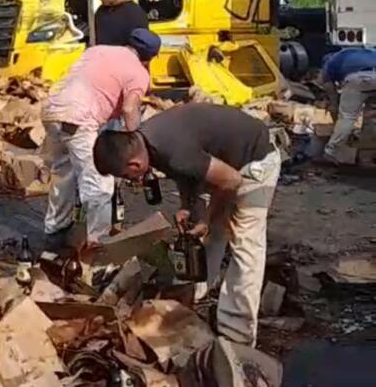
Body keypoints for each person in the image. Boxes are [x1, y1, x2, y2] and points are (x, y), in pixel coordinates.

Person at [93, 104, 280, 346]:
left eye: (129, 177)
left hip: (254, 160)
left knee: (245, 242)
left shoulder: (172, 149)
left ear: (135, 166)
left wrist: (207, 217)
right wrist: (189, 206)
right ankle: (199, 291)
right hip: (224, 163)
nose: (135, 182)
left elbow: (232, 181)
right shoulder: (147, 141)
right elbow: (187, 173)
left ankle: (237, 335)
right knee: (211, 231)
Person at [42, 28, 161, 247]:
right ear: (150, 58)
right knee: (100, 184)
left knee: (63, 174)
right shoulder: (139, 72)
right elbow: (129, 108)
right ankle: (98, 245)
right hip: (79, 117)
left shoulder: (97, 51)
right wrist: (137, 143)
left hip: (52, 109)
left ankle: (55, 232)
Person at [319, 47, 376, 163]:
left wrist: (334, 104)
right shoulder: (367, 52)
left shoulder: (330, 62)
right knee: (371, 116)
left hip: (358, 79)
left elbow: (329, 86)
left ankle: (330, 152)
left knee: (347, 116)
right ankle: (367, 149)